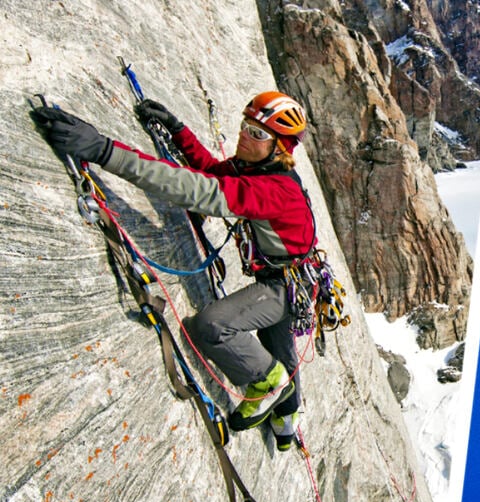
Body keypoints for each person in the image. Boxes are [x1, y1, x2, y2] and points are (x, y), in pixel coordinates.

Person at [32, 91, 319, 451]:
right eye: (246, 127)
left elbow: (198, 190)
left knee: (212, 326)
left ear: (281, 147)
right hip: (289, 280)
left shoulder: (275, 190)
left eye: (258, 134)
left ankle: (269, 383)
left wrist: (105, 151)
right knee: (282, 351)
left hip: (283, 287)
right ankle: (286, 423)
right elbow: (213, 171)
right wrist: (178, 129)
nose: (245, 136)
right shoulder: (257, 168)